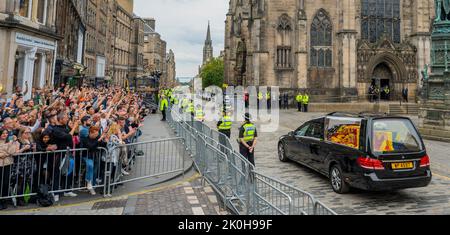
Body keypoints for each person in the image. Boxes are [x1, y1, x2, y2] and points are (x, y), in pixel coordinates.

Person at [0, 129, 20, 210]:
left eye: (6, 133)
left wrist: (6, 151)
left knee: (5, 183)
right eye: (3, 133)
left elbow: (13, 152)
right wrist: (7, 151)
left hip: (8, 164)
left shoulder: (11, 142)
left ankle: (4, 200)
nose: (5, 135)